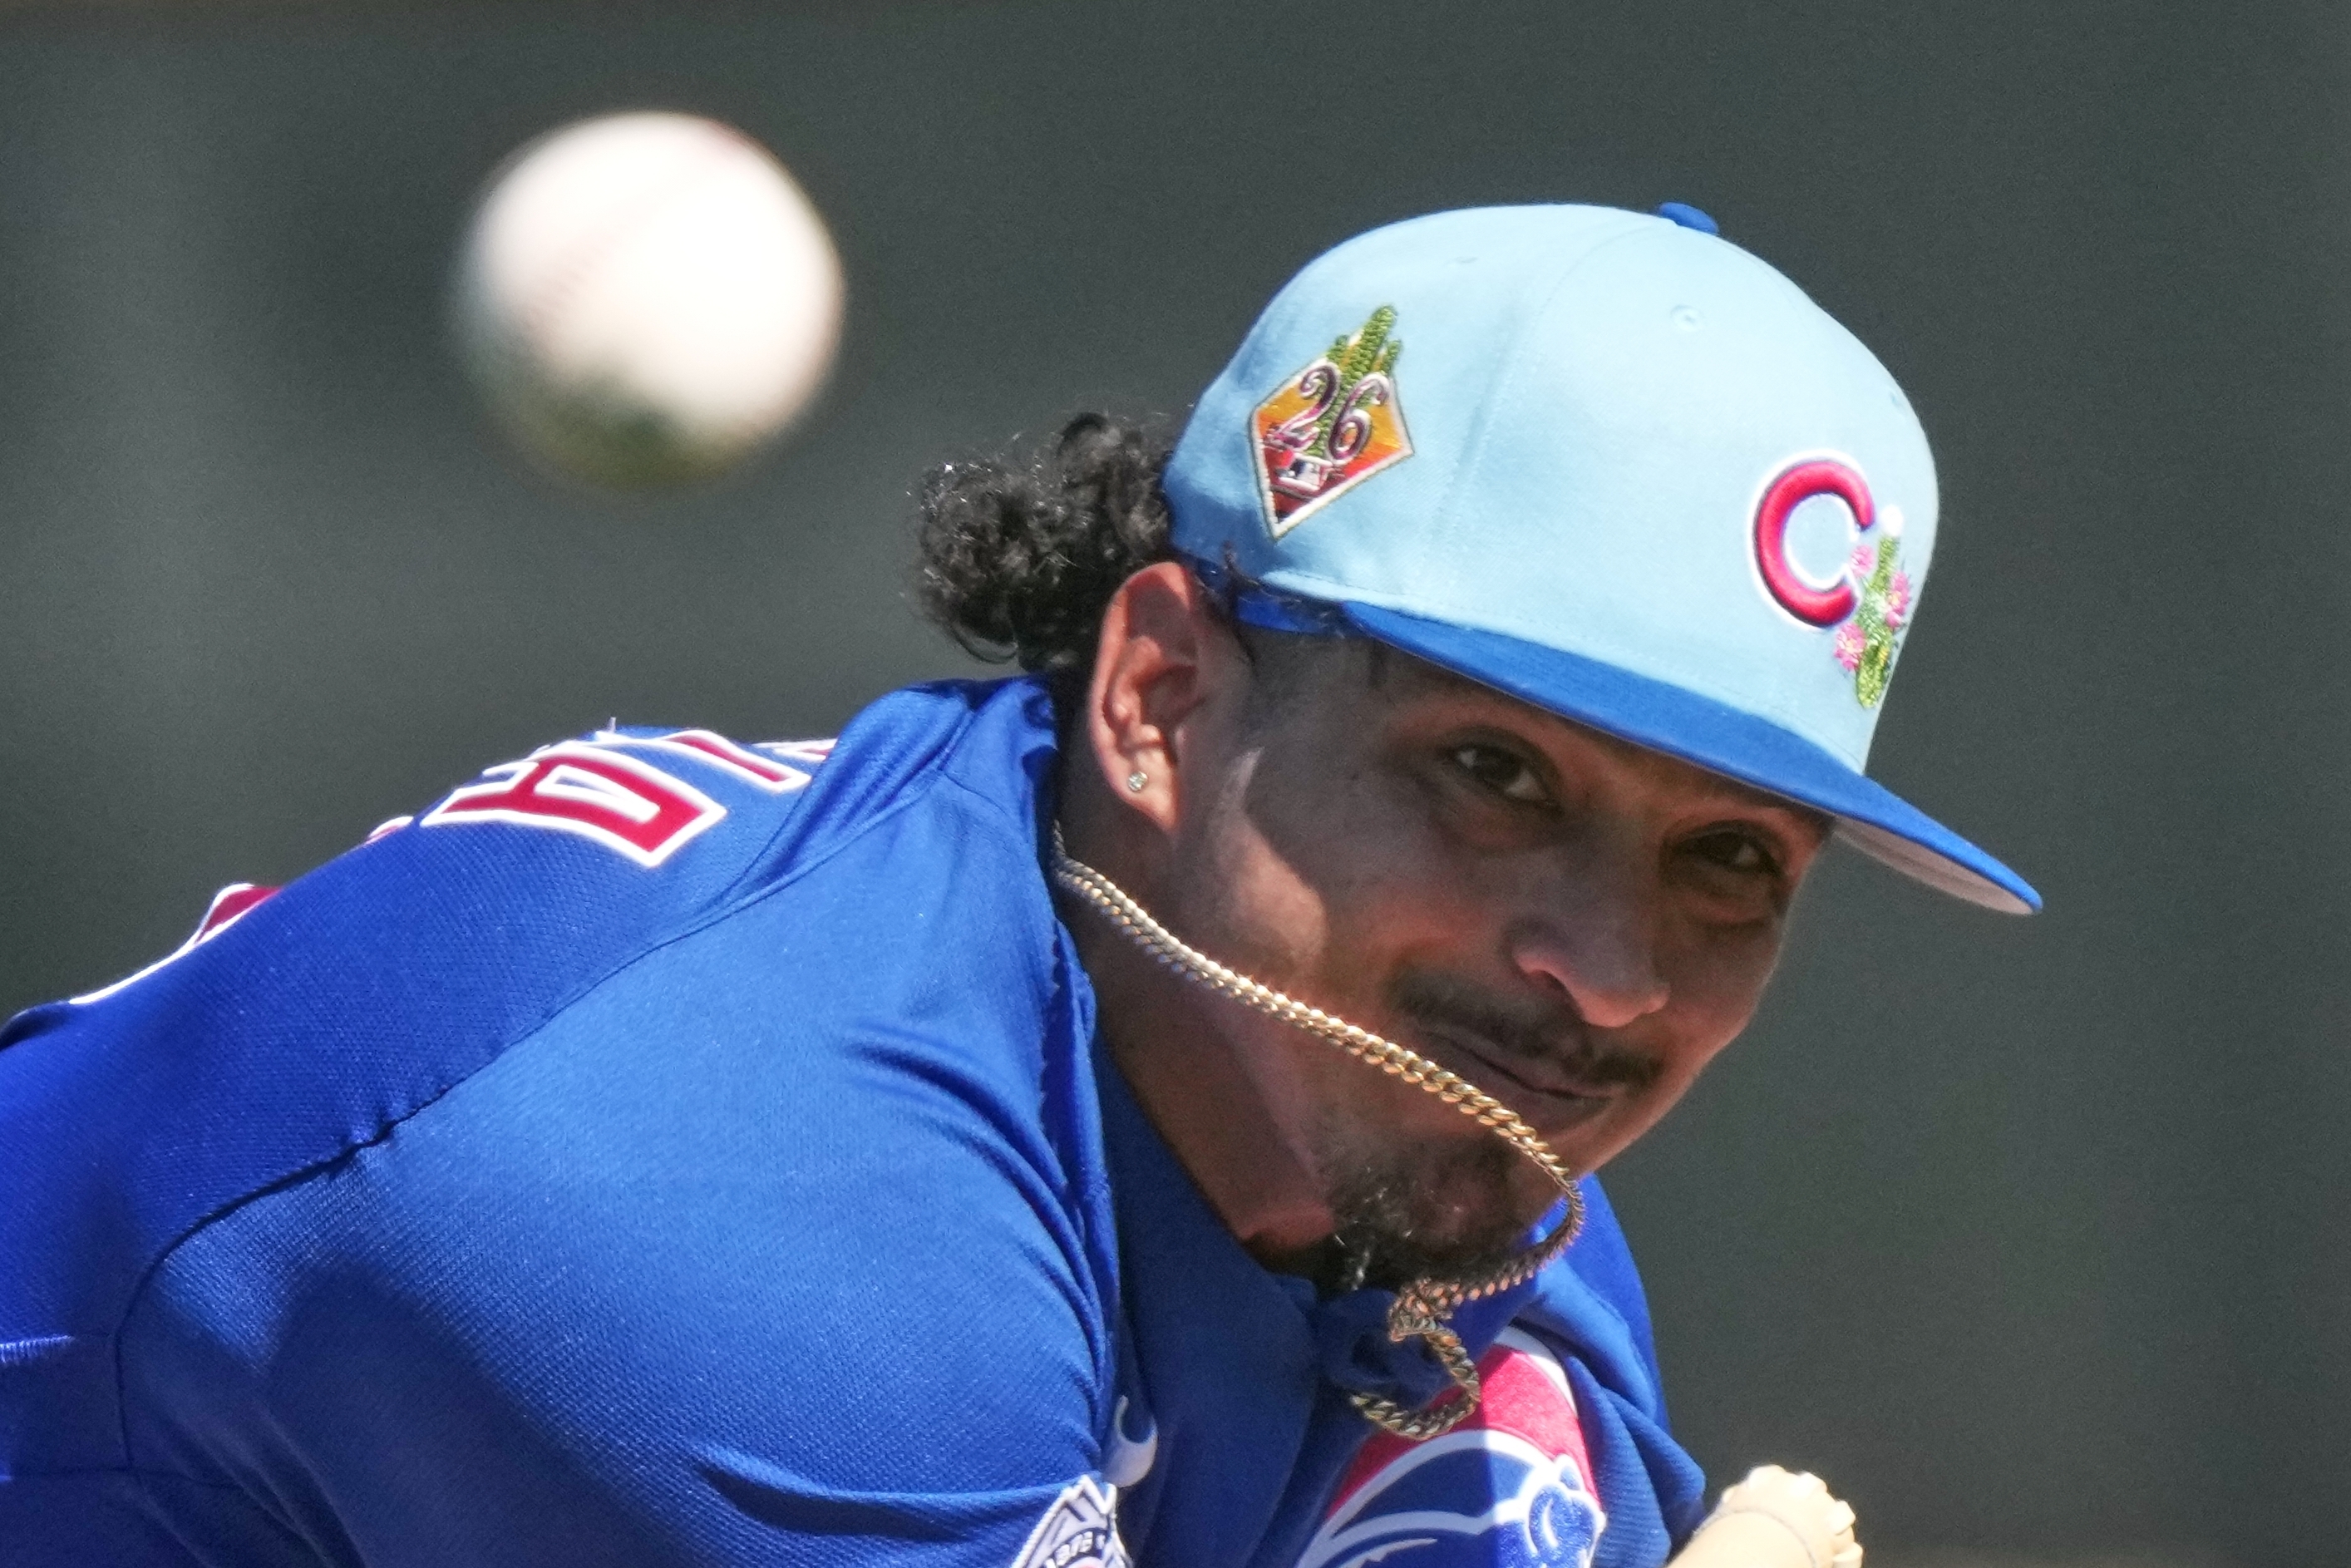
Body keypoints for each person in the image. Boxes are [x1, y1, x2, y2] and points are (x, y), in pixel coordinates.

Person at [0, 202, 2034, 1568]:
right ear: (1155, 692)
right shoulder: (737, 1217)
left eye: (1728, 863)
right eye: (1491, 774)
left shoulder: (1427, 1149)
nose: (1602, 977)